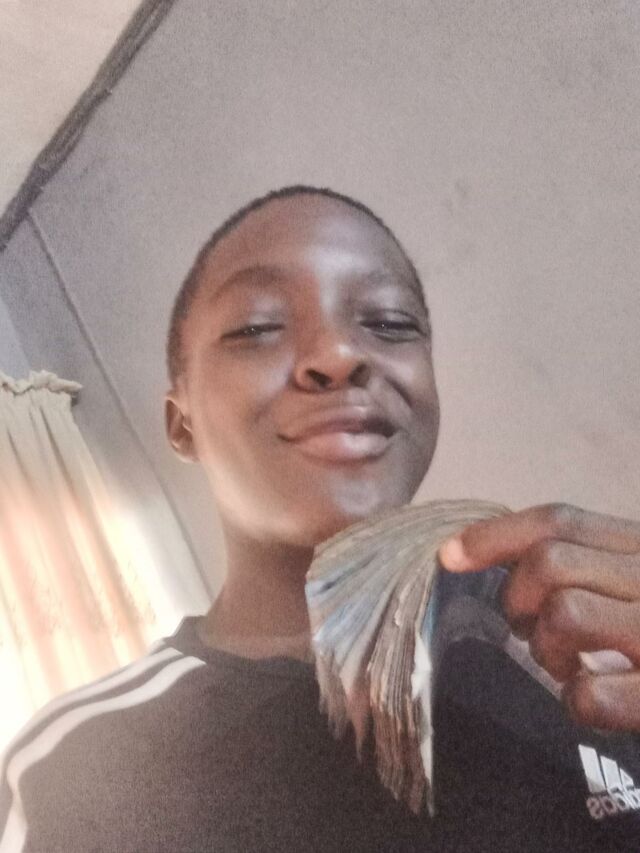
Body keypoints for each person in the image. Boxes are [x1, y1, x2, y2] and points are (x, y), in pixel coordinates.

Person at [1, 185, 640, 852]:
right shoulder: (68, 777)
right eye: (256, 328)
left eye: (390, 322)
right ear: (181, 423)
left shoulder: (583, 641)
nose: (339, 354)